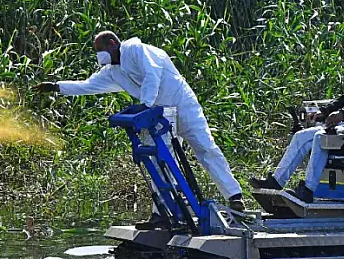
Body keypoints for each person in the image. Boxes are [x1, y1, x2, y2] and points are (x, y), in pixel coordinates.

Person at [35, 30, 245, 217]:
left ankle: (234, 196)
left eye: (99, 49)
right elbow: (89, 86)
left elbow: (152, 76)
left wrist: (145, 104)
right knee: (159, 160)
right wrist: (56, 87)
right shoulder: (113, 71)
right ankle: (163, 212)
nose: (98, 54)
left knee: (205, 147)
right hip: (158, 114)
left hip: (181, 104)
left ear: (112, 44)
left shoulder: (137, 50)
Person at [250, 35, 344, 203]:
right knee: (301, 136)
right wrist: (325, 111)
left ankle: (308, 190)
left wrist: (342, 115)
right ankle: (276, 182)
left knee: (322, 137)